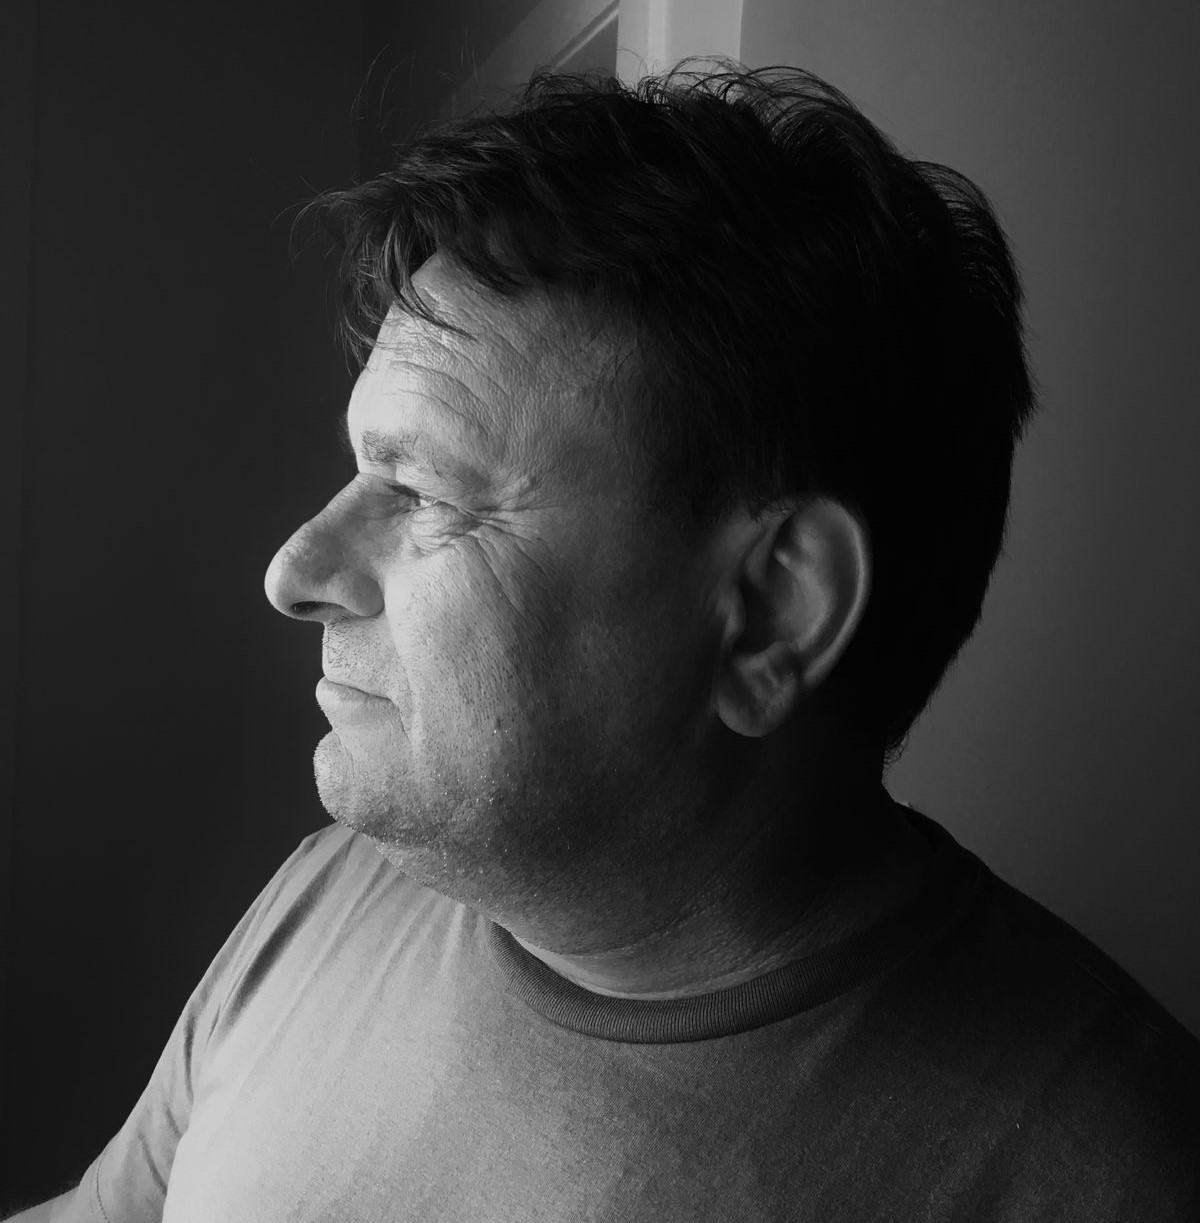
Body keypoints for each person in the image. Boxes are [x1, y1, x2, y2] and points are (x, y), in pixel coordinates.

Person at [9, 57, 1198, 1222]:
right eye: (359, 469)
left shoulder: (1112, 1173)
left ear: (771, 611)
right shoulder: (338, 884)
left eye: (422, 490)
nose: (295, 572)